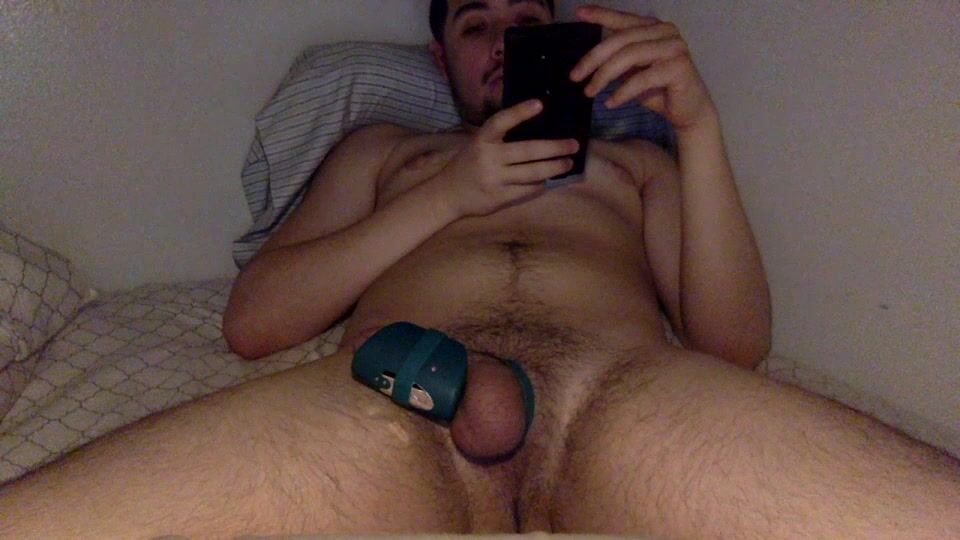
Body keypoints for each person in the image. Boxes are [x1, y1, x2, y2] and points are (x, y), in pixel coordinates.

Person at [1, 1, 958, 537]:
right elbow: (254, 324)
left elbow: (733, 344)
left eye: (524, 22)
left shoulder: (637, 166)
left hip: (619, 393)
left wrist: (699, 125)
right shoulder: (387, 153)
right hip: (392, 403)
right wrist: (448, 195)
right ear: (439, 55)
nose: (502, 41)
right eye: (474, 24)